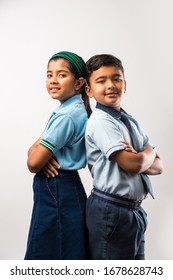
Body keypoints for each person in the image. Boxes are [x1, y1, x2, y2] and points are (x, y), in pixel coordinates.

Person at [84, 54, 163, 260]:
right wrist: (149, 152)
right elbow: (133, 165)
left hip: (133, 212)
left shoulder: (128, 121)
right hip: (111, 212)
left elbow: (159, 167)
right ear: (89, 90)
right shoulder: (101, 122)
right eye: (101, 81)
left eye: (116, 78)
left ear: (125, 85)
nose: (110, 85)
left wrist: (143, 156)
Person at [24, 51, 91, 260]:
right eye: (49, 74)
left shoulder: (66, 117)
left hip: (56, 187)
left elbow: (33, 161)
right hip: (64, 187)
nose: (53, 80)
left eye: (62, 75)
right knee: (68, 248)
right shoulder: (72, 110)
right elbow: (32, 152)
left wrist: (40, 159)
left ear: (79, 83)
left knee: (48, 251)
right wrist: (39, 156)